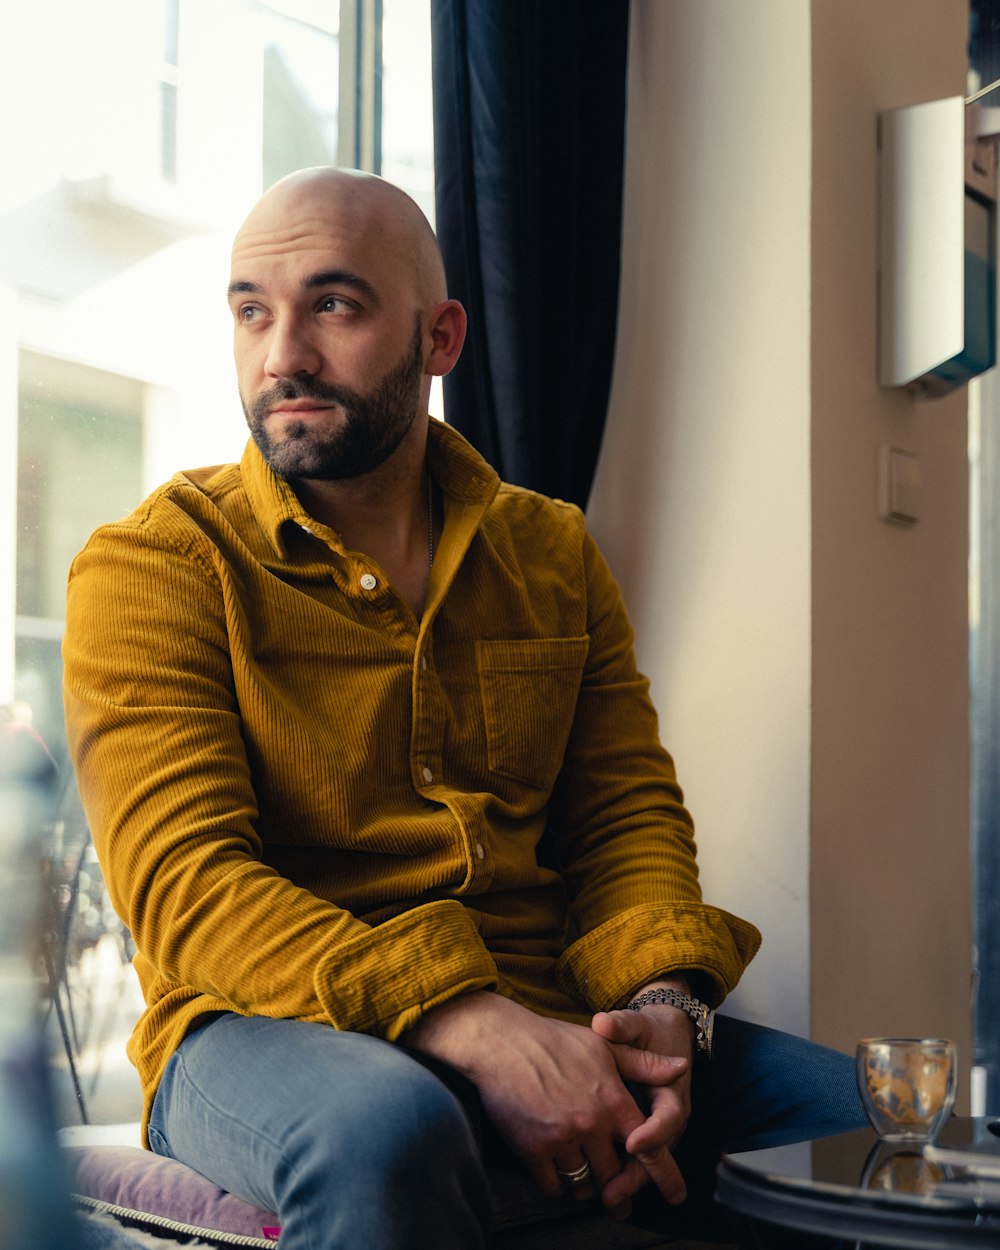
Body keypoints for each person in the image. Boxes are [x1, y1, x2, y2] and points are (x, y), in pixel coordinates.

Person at [62, 167, 864, 1250]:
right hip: (254, 1024)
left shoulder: (550, 551)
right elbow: (187, 886)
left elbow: (622, 815)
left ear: (440, 338)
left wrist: (666, 1005)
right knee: (390, 1128)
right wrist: (470, 1022)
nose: (281, 353)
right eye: (252, 309)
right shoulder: (156, 563)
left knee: (871, 1121)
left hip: (551, 997)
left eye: (333, 305)